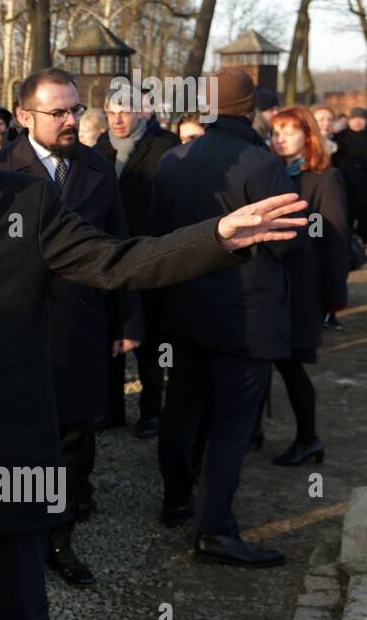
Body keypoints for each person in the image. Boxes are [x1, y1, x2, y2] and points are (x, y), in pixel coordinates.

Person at [0, 74, 304, 620]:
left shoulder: (24, 200)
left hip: (10, 443)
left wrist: (217, 236)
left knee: (23, 612)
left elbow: (116, 260)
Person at [0, 68, 142, 588]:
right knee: (13, 438)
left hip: (80, 326)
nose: (71, 120)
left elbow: (119, 242)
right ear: (26, 116)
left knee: (74, 439)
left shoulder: (99, 167)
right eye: (59, 112)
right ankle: (9, 535)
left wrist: (126, 319)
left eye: (75, 109)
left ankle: (60, 540)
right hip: (13, 330)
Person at [152, 69, 307, 566]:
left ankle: (177, 500)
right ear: (250, 109)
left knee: (181, 407)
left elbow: (155, 236)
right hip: (245, 317)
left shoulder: (173, 160)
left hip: (184, 311)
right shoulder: (261, 165)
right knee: (231, 425)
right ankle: (214, 529)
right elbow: (290, 244)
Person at [95, 86, 180, 438]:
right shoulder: (97, 147)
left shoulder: (165, 146)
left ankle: (152, 410)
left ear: (141, 112)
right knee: (109, 334)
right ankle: (110, 408)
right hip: (107, 254)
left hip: (150, 253)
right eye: (112, 110)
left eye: (125, 110)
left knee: (152, 337)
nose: (117, 118)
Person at [268, 107, 350, 465]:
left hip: (302, 290)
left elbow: (335, 239)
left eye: (288, 131)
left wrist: (334, 296)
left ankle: (308, 437)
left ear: (308, 135)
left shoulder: (325, 178)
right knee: (261, 358)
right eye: (275, 131)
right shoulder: (269, 174)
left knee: (289, 363)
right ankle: (254, 432)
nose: (280, 138)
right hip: (269, 288)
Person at [332, 107, 367, 238]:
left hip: (364, 187)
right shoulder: (340, 137)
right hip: (345, 184)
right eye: (354, 118)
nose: (357, 122)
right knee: (346, 219)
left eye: (361, 118)